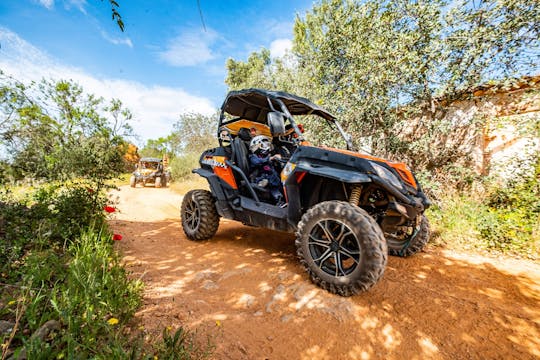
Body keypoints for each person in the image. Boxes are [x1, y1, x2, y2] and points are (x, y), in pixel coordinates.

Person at [248, 135, 286, 207]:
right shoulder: (253, 157)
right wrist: (271, 158)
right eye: (265, 145)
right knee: (273, 183)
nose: (267, 147)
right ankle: (279, 201)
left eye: (268, 145)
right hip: (259, 177)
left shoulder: (266, 156)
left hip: (270, 175)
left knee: (278, 177)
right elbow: (258, 162)